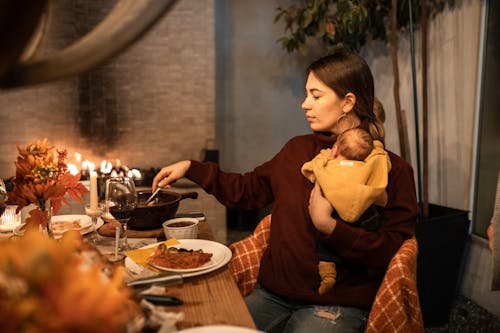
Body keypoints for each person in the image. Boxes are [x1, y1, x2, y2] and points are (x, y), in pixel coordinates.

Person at [152, 50, 419, 333]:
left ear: (347, 102)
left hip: (335, 305)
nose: (305, 104)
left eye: (316, 96)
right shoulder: (297, 151)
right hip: (272, 295)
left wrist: (328, 226)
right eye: (306, 95)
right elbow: (247, 190)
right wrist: (191, 168)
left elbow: (391, 252)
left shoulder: (391, 170)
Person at [301, 127, 391, 295]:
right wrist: (376, 149)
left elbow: (309, 169)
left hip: (335, 212)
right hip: (364, 215)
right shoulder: (367, 167)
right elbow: (383, 160)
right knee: (367, 231)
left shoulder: (328, 167)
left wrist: (323, 156)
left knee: (323, 246)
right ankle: (367, 269)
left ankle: (328, 276)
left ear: (335, 150)